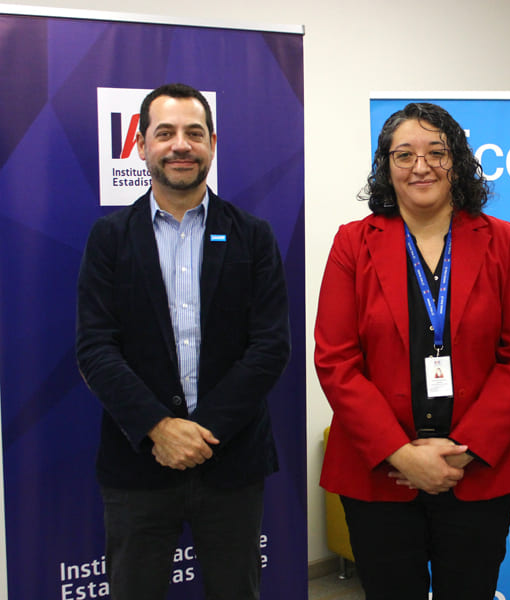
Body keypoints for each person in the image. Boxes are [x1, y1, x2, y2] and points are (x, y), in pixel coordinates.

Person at [315, 102, 510, 600]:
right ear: (386, 166)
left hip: (476, 471)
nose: (420, 166)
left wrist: (462, 452)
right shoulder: (352, 244)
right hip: (379, 473)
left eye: (436, 152)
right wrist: (399, 452)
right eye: (404, 154)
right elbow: (335, 360)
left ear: (458, 161)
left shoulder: (502, 241)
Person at [76, 83, 290, 600]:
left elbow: (270, 347)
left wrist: (200, 431)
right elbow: (95, 348)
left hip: (232, 459)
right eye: (165, 132)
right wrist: (158, 427)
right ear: (141, 145)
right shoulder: (109, 237)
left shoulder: (253, 235)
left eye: (194, 133)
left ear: (212, 144)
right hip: (138, 464)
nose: (181, 145)